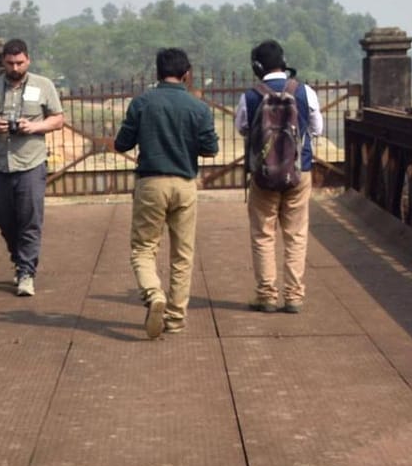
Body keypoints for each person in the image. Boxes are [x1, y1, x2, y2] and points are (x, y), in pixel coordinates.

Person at [113, 48, 220, 338]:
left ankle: (153, 294)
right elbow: (211, 149)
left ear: (157, 73)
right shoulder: (198, 108)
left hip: (151, 182)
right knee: (182, 254)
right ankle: (175, 318)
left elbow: (121, 144)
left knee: (143, 249)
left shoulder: (142, 103)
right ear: (186, 74)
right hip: (185, 184)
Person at [236, 39, 325, 313]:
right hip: (299, 172)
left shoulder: (250, 96)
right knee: (296, 234)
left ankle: (266, 296)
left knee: (263, 234)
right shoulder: (304, 91)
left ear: (257, 66)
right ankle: (294, 296)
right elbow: (317, 128)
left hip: (263, 175)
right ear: (283, 63)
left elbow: (242, 128)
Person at [0, 38, 64, 296]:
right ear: (3, 61)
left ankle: (26, 272)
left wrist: (34, 126)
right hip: (1, 164)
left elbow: (58, 120)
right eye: (11, 63)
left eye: (20, 62)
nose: (15, 67)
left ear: (28, 60)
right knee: (4, 219)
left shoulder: (43, 85)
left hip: (31, 163)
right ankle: (18, 257)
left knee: (30, 219)